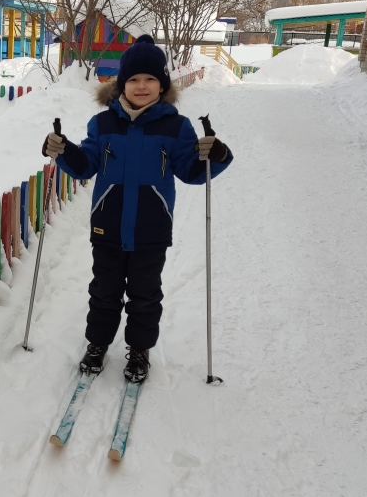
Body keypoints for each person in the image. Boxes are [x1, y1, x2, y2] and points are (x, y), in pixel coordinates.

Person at [42, 34, 233, 383]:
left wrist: (215, 156)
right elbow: (85, 165)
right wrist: (63, 149)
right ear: (121, 85)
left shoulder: (176, 127)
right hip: (108, 226)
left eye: (150, 79)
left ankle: (140, 349)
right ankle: (97, 343)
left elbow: (191, 171)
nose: (141, 86)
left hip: (151, 228)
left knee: (145, 296)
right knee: (104, 292)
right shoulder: (102, 124)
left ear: (161, 85)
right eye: (133, 79)